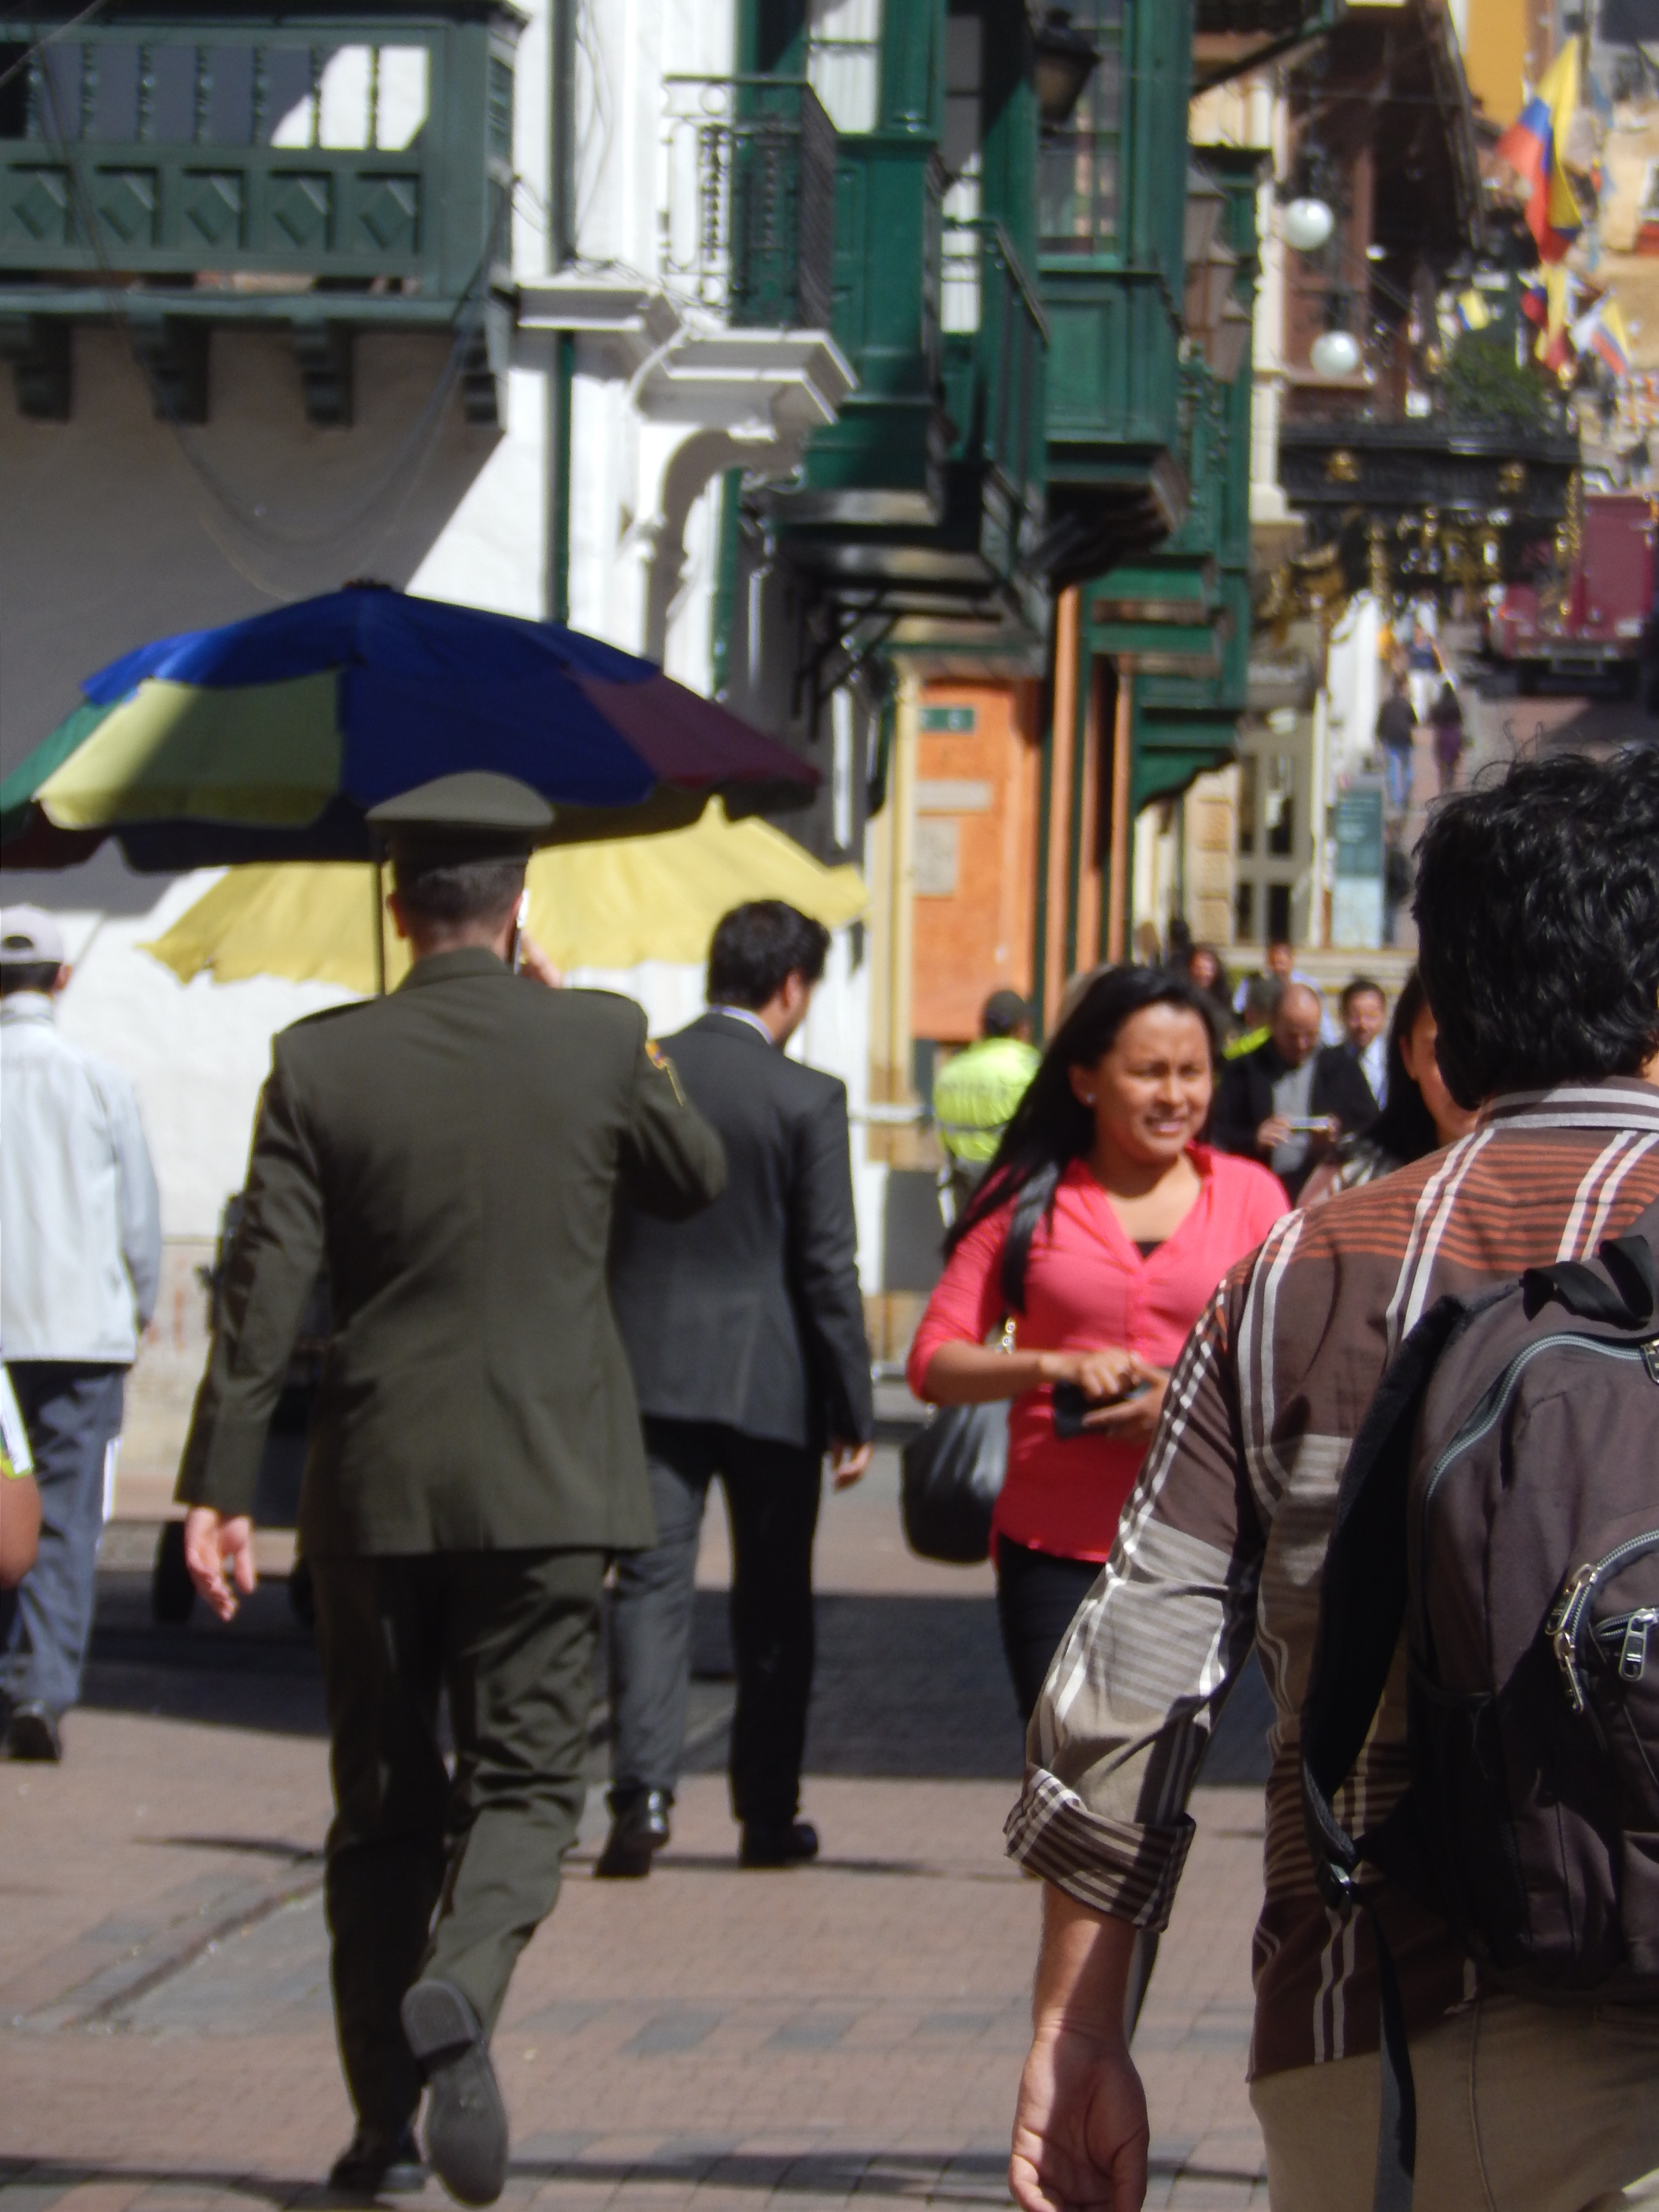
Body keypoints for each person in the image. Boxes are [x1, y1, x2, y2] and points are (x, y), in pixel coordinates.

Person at [1004, 747, 1659, 2212]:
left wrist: (1078, 2030)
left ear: (1450, 1020)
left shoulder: (1301, 1268)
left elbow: (1142, 1672)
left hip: (1356, 2047)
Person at [175, 824, 725, 2203]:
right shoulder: (599, 1037)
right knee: (528, 1783)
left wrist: (220, 1484)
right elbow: (693, 1177)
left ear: (395, 906)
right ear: (520, 905)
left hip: (373, 1484)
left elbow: (264, 1287)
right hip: (551, 1483)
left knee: (379, 1804)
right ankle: (464, 1985)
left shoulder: (319, 1060)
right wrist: (585, 1016)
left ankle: (380, 2128)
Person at [905, 968, 1286, 1727]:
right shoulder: (1026, 1199)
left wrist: (1182, 1403)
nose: (1174, 1096)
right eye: (1148, 1072)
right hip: (1051, 1544)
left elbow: (1291, 1364)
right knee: (1064, 1764)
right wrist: (1053, 1364)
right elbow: (932, 1362)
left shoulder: (1252, 1198)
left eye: (1192, 1073)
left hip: (1201, 1545)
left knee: (1155, 1775)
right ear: (1085, 1081)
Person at [601, 902, 874, 1877]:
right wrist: (852, 1403)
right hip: (773, 1380)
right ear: (792, 986)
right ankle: (766, 1812)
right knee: (773, 1600)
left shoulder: (643, 1070)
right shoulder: (806, 1095)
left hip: (646, 1374)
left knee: (650, 1586)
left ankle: (642, 1794)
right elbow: (827, 1263)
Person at [0, 906, 160, 1763]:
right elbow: (139, 1218)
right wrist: (142, 1302)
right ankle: (41, 1686)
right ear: (62, 979)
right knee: (65, 1517)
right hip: (81, 1336)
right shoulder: (102, 1081)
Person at [1300, 969, 1479, 1203]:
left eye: (1482, 1050)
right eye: (1442, 1054)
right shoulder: (1352, 1180)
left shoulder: (1528, 1182)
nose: (1464, 1078)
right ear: (1409, 1056)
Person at [1210, 979, 1377, 1201]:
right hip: (1260, 1191)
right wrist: (1254, 1139)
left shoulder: (1342, 1068)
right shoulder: (1243, 1071)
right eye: (1292, 1035)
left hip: (1325, 1193)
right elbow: (1216, 1133)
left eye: (1311, 1035)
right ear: (1272, 1024)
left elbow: (1373, 1128)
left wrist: (1339, 1137)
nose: (1301, 1044)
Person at [933, 988, 1043, 1208]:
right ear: (1022, 1028)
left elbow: (943, 1134)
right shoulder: (1031, 1069)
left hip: (965, 1187)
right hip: (1012, 1188)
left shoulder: (951, 1072)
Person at [1339, 974, 1389, 1106]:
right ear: (1342, 1015)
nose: (1363, 1025)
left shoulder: (1395, 1059)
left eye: (1371, 1016)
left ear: (1384, 1016)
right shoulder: (1328, 1062)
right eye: (1355, 1016)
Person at [1377, 673, 1418, 815]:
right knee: (1407, 769)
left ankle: (1396, 801)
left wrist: (1380, 737)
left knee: (1393, 769)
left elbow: (1380, 723)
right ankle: (1404, 797)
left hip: (1391, 739)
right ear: (1403, 688)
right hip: (1405, 740)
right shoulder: (1407, 704)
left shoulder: (1386, 705)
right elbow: (1415, 721)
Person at [1184, 944, 1239, 1044]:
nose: (1203, 974)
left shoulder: (1222, 995)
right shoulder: (1187, 998)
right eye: (1199, 968)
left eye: (1208, 969)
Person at [1429, 677, 1466, 794]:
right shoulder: (1456, 704)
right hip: (1454, 734)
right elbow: (1461, 719)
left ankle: (1443, 783)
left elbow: (1433, 719)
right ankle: (1451, 782)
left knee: (1442, 762)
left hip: (1442, 735)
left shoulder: (1439, 705)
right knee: (1453, 762)